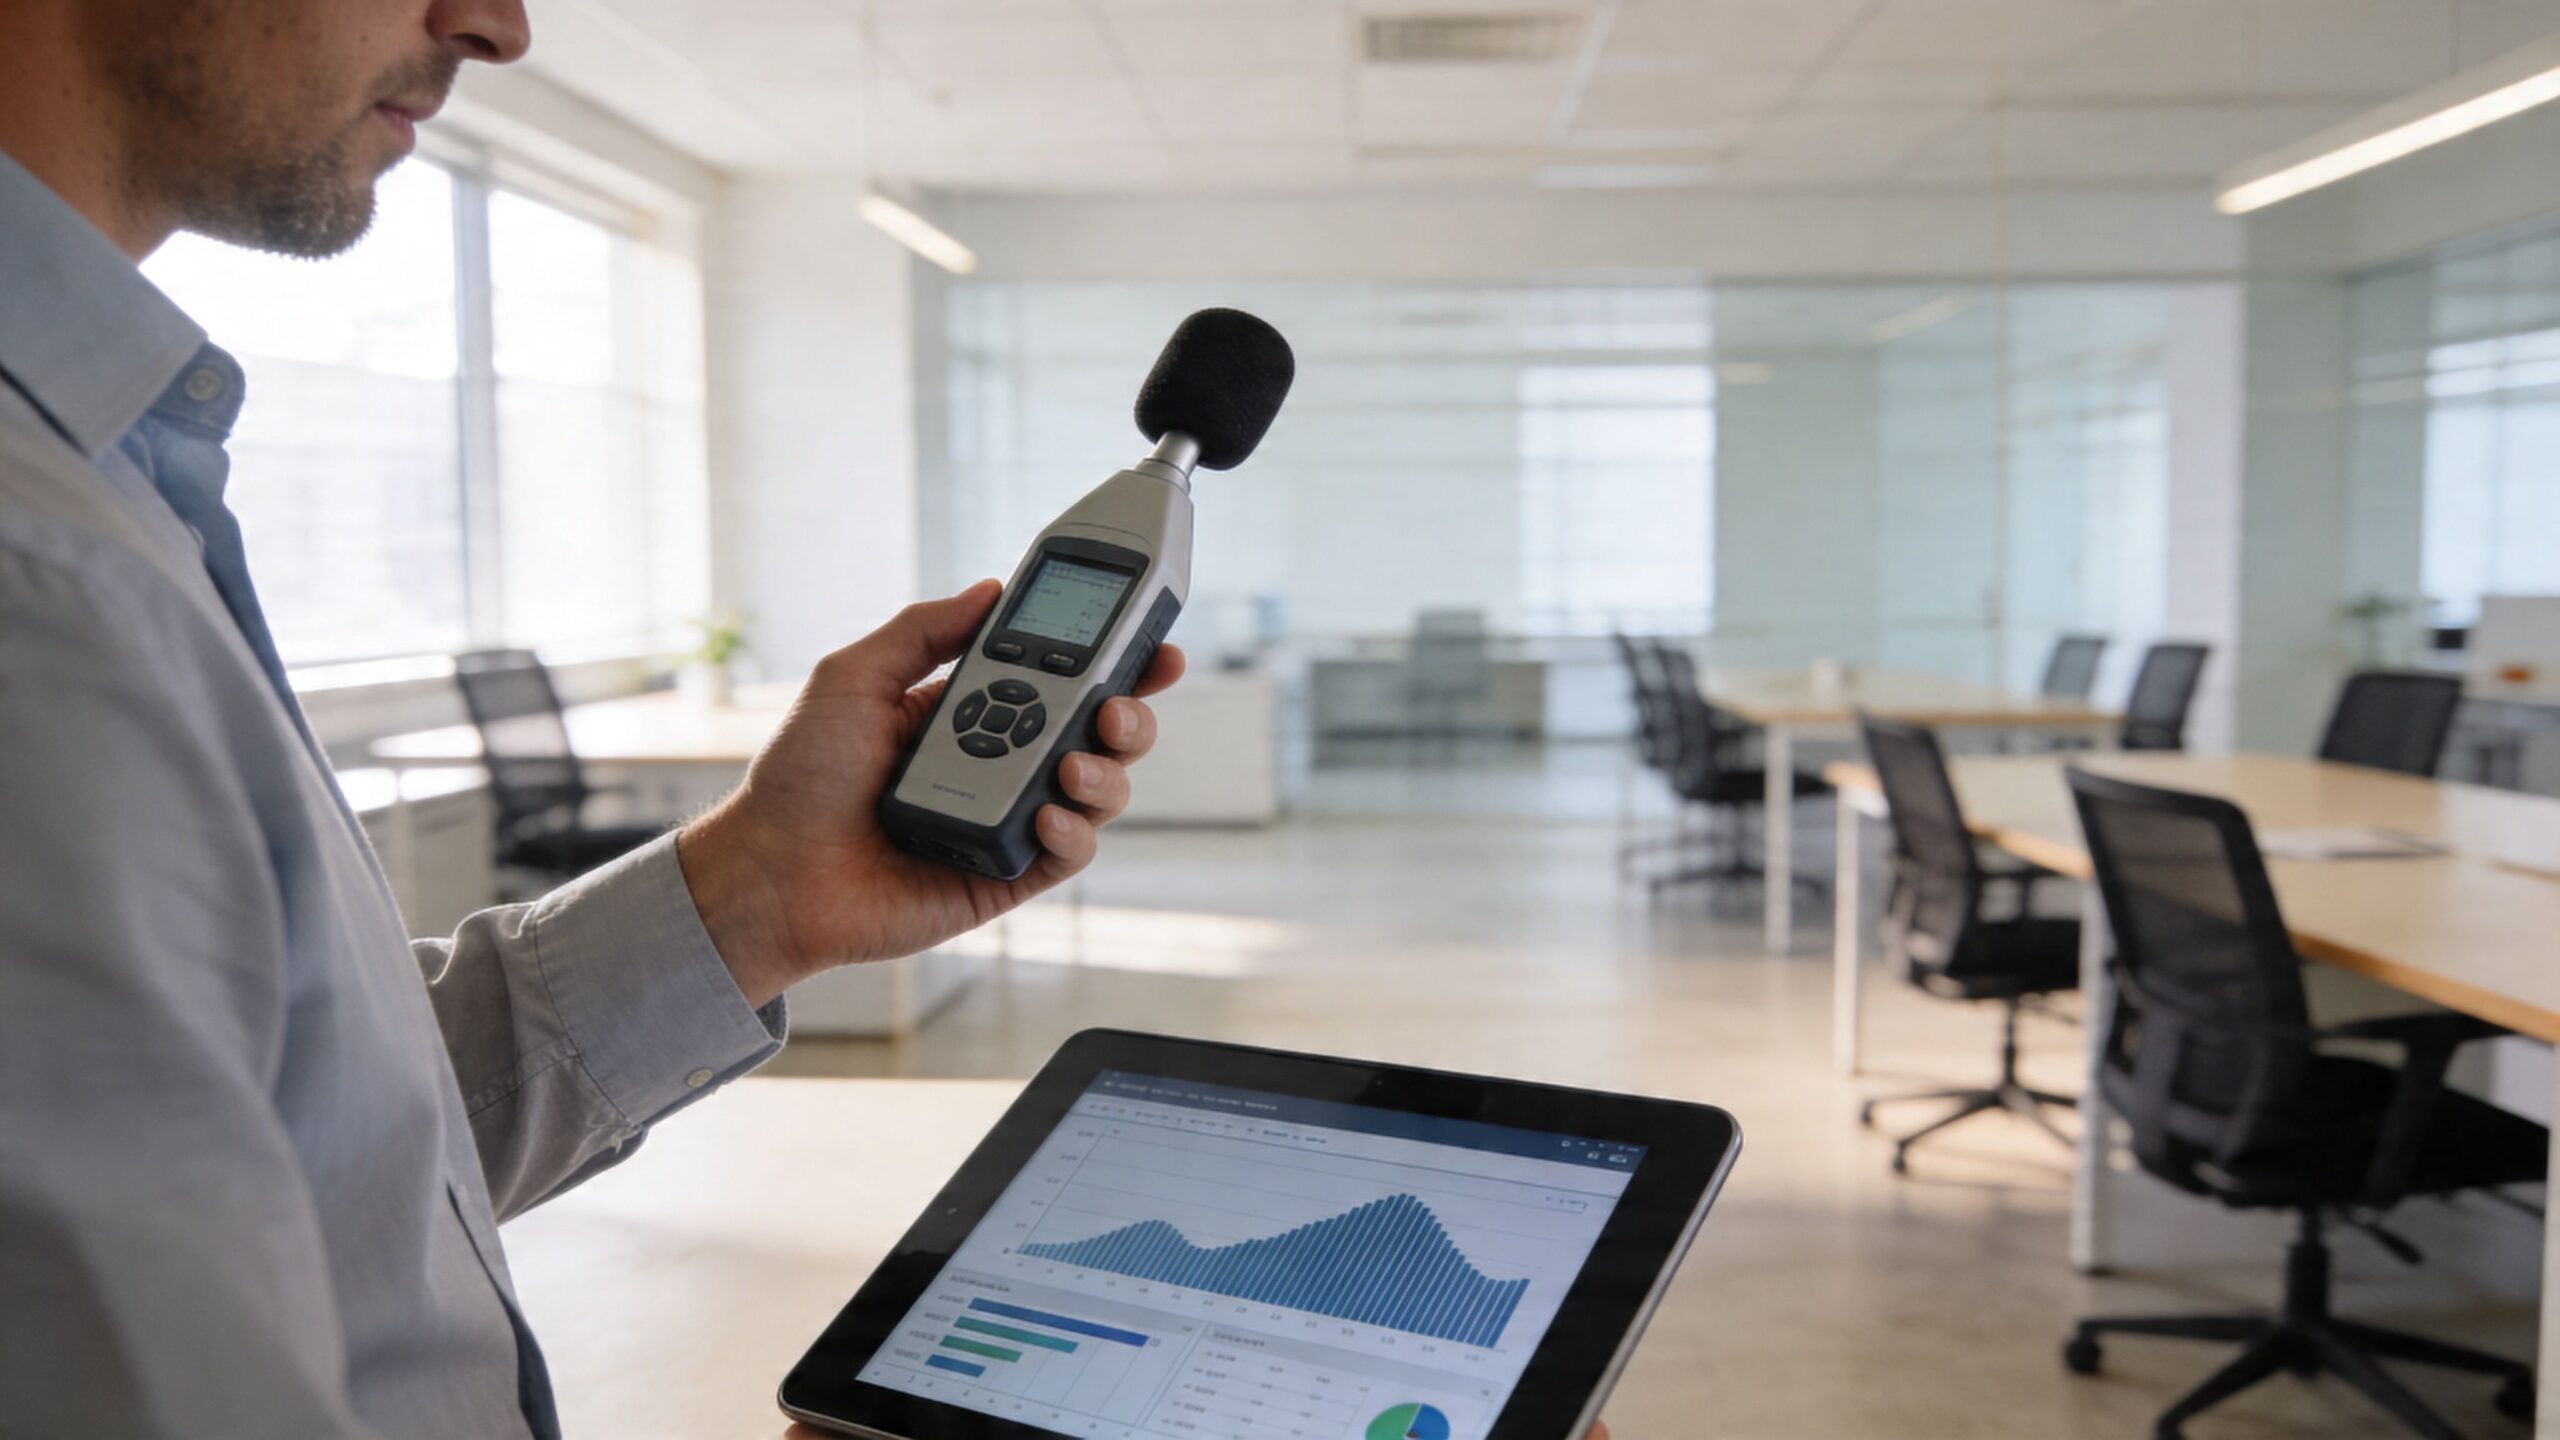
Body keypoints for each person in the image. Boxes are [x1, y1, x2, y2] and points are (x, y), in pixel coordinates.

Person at [0, 3, 1614, 1438]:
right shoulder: (45, 589)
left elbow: (335, 1146)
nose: (500, 25)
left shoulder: (108, 482)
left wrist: (760, 890)